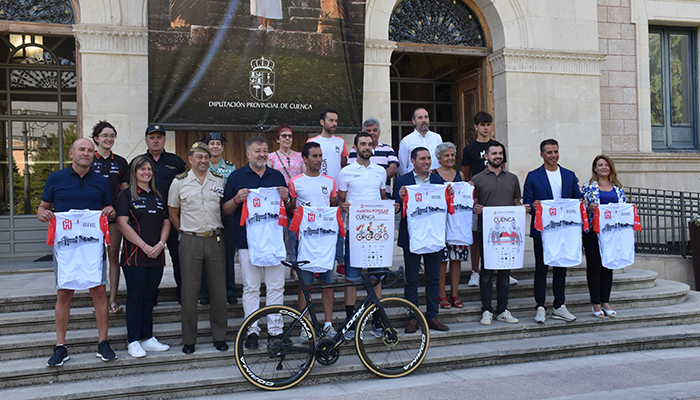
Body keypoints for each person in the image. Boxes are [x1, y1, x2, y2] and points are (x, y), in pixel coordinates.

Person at [38, 138, 117, 366]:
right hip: (66, 246)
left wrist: (110, 210)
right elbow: (42, 207)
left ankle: (103, 342)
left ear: (94, 155)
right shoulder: (56, 178)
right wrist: (42, 213)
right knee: (64, 293)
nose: (86, 153)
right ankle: (60, 346)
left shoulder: (101, 181)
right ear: (71, 153)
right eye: (81, 149)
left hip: (92, 245)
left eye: (90, 150)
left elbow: (108, 207)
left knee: (99, 291)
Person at [222, 137, 293, 349]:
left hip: (274, 241)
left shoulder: (277, 176)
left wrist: (287, 198)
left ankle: (275, 331)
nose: (262, 154)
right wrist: (236, 199)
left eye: (264, 150)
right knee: (251, 288)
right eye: (257, 151)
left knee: (276, 287)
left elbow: (289, 210)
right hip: (247, 242)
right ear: (248, 154)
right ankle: (251, 331)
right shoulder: (236, 177)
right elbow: (224, 210)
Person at [168, 142, 228, 354]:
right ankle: (189, 339)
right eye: (199, 157)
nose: (203, 161)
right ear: (190, 159)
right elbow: (173, 212)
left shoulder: (219, 180)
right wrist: (185, 232)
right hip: (190, 240)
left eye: (206, 157)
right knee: (189, 291)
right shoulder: (179, 182)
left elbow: (222, 208)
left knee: (218, 291)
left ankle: (219, 336)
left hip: (215, 239)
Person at [337, 132, 395, 339]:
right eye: (363, 144)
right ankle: (350, 323)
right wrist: (343, 206)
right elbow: (340, 200)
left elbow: (383, 197)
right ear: (355, 147)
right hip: (355, 232)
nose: (367, 147)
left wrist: (391, 206)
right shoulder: (345, 172)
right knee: (352, 279)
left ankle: (376, 322)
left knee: (376, 278)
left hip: (376, 233)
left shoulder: (380, 171)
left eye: (370, 144)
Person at [114, 156, 171, 358]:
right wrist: (144, 246)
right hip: (135, 255)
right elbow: (122, 223)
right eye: (142, 169)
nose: (146, 172)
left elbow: (166, 222)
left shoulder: (159, 195)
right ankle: (133, 341)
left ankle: (147, 338)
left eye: (149, 169)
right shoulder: (126, 195)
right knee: (135, 298)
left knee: (149, 297)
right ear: (134, 172)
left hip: (156, 254)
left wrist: (161, 244)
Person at [523, 139, 582, 324]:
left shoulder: (569, 175)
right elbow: (527, 202)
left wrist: (581, 203)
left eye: (555, 151)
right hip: (543, 231)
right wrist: (533, 206)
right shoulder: (533, 176)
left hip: (564, 231)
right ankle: (540, 307)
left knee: (561, 268)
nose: (553, 155)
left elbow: (578, 198)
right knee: (541, 269)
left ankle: (559, 305)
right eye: (549, 152)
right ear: (542, 154)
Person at [472, 140, 530, 326]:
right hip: (487, 232)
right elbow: (472, 203)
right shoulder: (477, 179)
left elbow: (515, 201)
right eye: (494, 153)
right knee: (487, 271)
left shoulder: (512, 178)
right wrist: (475, 207)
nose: (497, 156)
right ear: (486, 156)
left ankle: (503, 310)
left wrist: (522, 208)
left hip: (508, 234)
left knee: (505, 272)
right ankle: (487, 310)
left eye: (500, 153)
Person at [395, 146, 450, 332]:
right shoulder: (402, 181)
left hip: (433, 236)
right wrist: (400, 196)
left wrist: (451, 193)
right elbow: (395, 205)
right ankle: (413, 317)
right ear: (413, 161)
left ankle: (432, 316)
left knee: (433, 279)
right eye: (422, 159)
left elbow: (446, 202)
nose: (427, 162)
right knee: (411, 279)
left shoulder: (438, 181)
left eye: (428, 158)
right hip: (412, 237)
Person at [288, 141, 338, 338]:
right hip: (306, 242)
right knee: (305, 286)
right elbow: (291, 210)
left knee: (328, 283)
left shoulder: (330, 181)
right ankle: (305, 326)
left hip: (326, 241)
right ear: (305, 159)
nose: (319, 159)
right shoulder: (295, 182)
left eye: (321, 156)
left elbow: (332, 206)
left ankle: (328, 325)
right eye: (315, 156)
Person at [137, 124, 187, 302]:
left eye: (159, 137)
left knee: (178, 256)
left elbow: (186, 187)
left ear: (165, 140)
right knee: (149, 256)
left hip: (173, 217)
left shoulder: (176, 162)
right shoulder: (138, 162)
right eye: (152, 137)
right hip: (147, 218)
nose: (155, 141)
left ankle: (183, 293)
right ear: (146, 140)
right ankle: (151, 296)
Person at [460, 112, 507, 287]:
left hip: (496, 195)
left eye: (488, 124)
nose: (485, 128)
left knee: (500, 234)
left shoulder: (498, 146)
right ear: (476, 127)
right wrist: (471, 195)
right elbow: (465, 174)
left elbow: (503, 169)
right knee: (476, 236)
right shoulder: (469, 149)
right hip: (477, 197)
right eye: (482, 124)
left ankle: (503, 269)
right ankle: (475, 272)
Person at [90, 121, 129, 314]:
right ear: (96, 138)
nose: (109, 139)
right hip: (92, 218)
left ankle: (112, 299)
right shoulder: (89, 159)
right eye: (105, 135)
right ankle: (98, 302)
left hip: (113, 216)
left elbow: (125, 191)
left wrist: (119, 210)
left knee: (113, 256)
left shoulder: (120, 162)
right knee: (95, 259)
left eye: (112, 135)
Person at [582, 155, 626, 318]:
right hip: (593, 232)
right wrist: (589, 209)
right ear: (595, 168)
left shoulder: (617, 188)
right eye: (600, 165)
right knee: (594, 266)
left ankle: (605, 301)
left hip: (611, 232)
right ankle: (596, 304)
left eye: (606, 165)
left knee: (608, 265)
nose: (603, 167)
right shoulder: (588, 187)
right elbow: (581, 209)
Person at [198, 132, 238, 305]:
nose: (215, 146)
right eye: (212, 143)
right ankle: (205, 293)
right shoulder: (200, 166)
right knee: (205, 256)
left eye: (218, 143)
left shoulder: (230, 168)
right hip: (205, 216)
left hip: (226, 216)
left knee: (227, 256)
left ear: (222, 147)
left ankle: (230, 291)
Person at [308, 108, 348, 271]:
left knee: (338, 228)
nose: (334, 123)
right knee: (318, 228)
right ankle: (317, 263)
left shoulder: (340, 142)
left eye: (336, 121)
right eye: (331, 120)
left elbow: (343, 166)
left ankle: (340, 262)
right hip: (318, 192)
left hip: (337, 193)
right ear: (322, 122)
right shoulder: (312, 141)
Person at [431, 142, 467, 309]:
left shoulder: (460, 174)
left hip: (458, 224)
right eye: (446, 155)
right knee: (442, 260)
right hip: (440, 224)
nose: (450, 158)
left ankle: (455, 293)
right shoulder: (433, 175)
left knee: (456, 259)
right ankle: (441, 294)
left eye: (452, 155)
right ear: (439, 158)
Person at [268, 124, 305, 263]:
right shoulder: (271, 157)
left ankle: (295, 264)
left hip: (296, 198)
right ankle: (280, 262)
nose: (287, 138)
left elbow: (304, 176)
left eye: (290, 136)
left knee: (295, 232)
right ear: (277, 139)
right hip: (278, 199)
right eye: (284, 136)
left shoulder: (300, 156)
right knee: (280, 231)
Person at [348, 118, 399, 188]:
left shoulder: (387, 149)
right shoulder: (355, 149)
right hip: (361, 192)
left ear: (379, 132)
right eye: (368, 130)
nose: (372, 133)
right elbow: (350, 170)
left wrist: (377, 181)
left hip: (382, 193)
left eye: (375, 130)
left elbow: (394, 168)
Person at [397, 107, 442, 175]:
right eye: (420, 117)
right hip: (414, 180)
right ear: (414, 121)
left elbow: (441, 160)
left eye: (426, 117)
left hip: (435, 178)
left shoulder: (437, 138)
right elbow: (402, 167)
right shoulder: (406, 141)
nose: (424, 120)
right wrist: (409, 180)